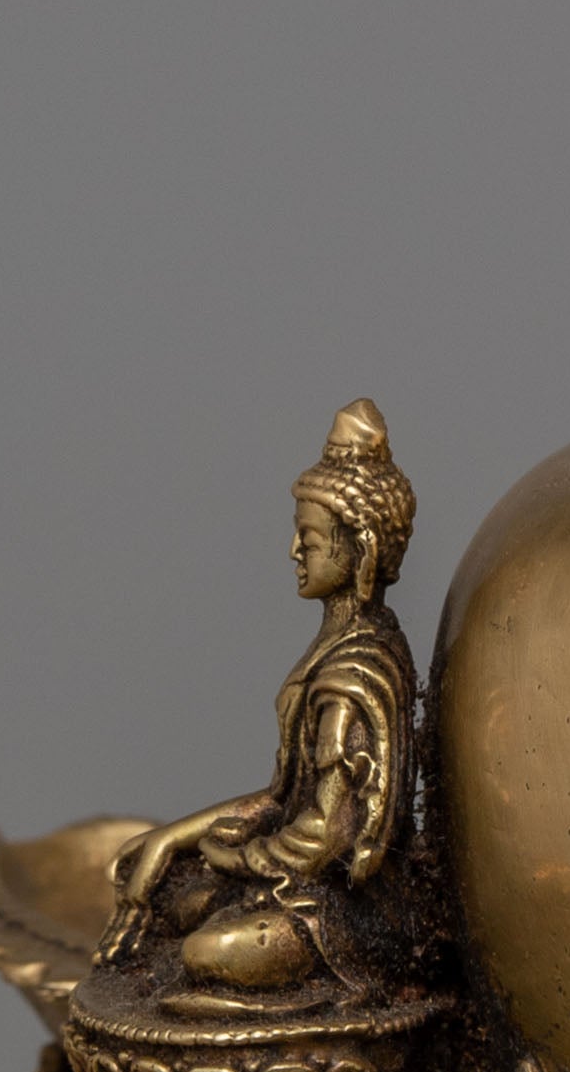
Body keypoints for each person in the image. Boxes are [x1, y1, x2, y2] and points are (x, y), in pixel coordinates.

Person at [103, 401, 421, 1007]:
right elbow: (282, 796)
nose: (293, 551)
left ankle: (279, 1010)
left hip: (346, 912)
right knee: (172, 896)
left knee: (203, 950)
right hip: (290, 880)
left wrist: (240, 859)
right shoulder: (331, 648)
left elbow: (328, 834)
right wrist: (172, 839)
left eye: (310, 540)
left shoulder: (354, 673)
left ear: (360, 551)